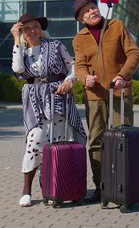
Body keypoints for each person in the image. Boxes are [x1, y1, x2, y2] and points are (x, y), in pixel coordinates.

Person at [11, 12, 87, 207]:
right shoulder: (22, 51)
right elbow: (18, 70)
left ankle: (53, 184)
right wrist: (15, 39)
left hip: (58, 97)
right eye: (26, 28)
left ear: (41, 28)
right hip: (34, 101)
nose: (32, 31)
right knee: (34, 141)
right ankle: (26, 190)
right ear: (21, 32)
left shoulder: (55, 45)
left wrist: (69, 82)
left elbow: (73, 66)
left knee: (57, 141)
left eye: (35, 26)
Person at [72, 0, 139, 203]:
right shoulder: (79, 38)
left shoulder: (116, 26)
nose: (92, 11)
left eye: (93, 7)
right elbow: (80, 65)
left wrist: (122, 75)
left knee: (124, 138)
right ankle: (101, 186)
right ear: (81, 19)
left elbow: (134, 53)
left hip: (120, 91)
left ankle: (124, 185)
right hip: (95, 95)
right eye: (86, 11)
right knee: (95, 141)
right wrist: (86, 78)